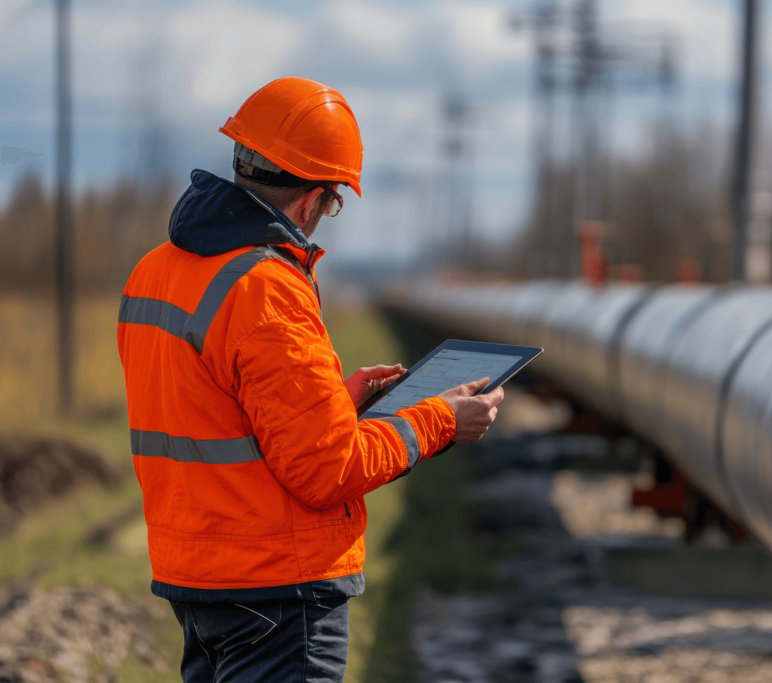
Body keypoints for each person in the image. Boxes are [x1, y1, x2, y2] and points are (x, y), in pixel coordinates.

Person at [117, 77, 504, 682]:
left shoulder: (156, 270)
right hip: (277, 588)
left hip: (196, 579)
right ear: (314, 199)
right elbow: (328, 470)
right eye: (334, 202)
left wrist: (339, 402)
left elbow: (211, 408)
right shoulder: (267, 288)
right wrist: (440, 421)